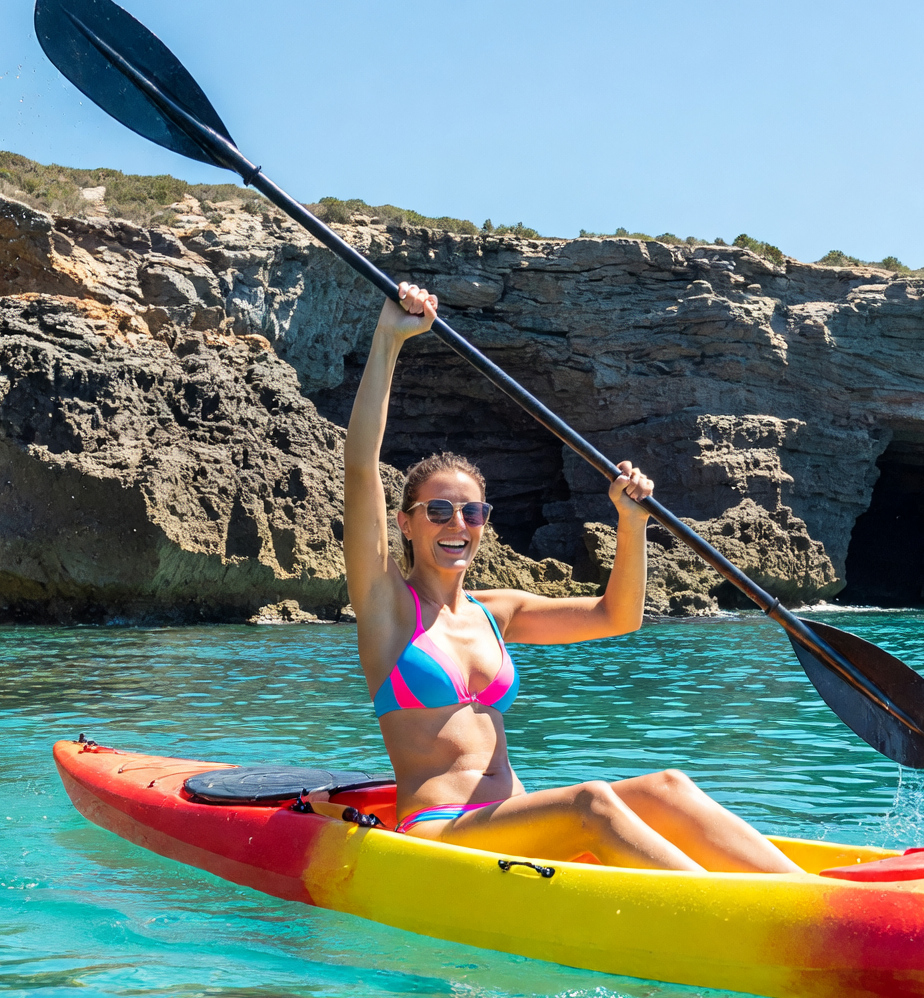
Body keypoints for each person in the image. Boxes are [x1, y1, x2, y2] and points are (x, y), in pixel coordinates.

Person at [344, 282, 806, 875]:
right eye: (438, 511)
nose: (457, 524)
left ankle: (819, 902)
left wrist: (630, 522)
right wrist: (388, 339)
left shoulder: (497, 612)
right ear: (406, 525)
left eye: (472, 511)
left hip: (514, 819)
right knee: (590, 800)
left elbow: (620, 617)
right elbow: (360, 466)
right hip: (440, 835)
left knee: (667, 784)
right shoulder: (387, 608)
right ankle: (747, 916)